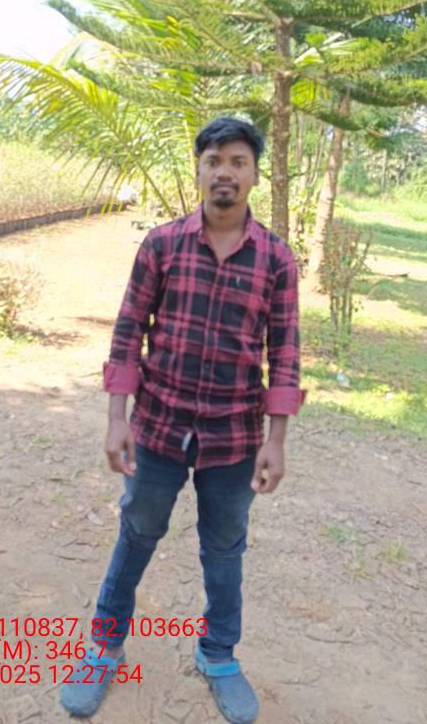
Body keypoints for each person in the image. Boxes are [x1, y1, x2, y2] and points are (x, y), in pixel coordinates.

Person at [60, 116, 306, 724]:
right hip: (160, 425)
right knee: (138, 532)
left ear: (254, 175)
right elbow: (127, 330)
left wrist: (276, 440)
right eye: (214, 160)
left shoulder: (276, 259)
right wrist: (116, 418)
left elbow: (285, 352)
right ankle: (104, 648)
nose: (225, 172)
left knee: (224, 547)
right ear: (198, 171)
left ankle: (218, 654)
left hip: (234, 435)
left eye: (238, 161)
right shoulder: (162, 245)